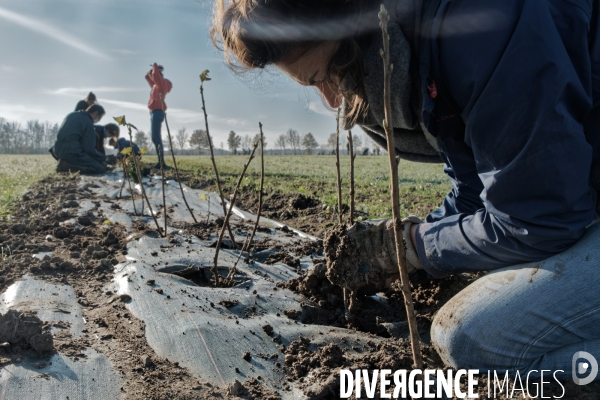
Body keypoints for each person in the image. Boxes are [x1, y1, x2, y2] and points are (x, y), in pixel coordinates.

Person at [212, 0, 600, 382]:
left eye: (323, 76)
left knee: (471, 339)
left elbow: (539, 219)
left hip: (562, 209)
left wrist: (414, 245)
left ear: (354, 30)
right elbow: (474, 189)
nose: (332, 101)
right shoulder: (425, 33)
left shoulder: (481, 25)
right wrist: (403, 249)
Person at [52, 104, 107, 175]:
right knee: (100, 169)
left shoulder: (71, 115)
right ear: (95, 113)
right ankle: (66, 166)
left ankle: (67, 162)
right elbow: (89, 149)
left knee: (89, 161)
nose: (98, 120)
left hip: (57, 150)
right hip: (72, 152)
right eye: (99, 117)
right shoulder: (88, 122)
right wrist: (103, 158)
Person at [145, 63, 172, 169]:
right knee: (154, 137)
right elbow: (147, 77)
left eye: (153, 75)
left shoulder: (161, 84)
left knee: (156, 137)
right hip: (154, 112)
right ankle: (160, 162)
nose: (152, 77)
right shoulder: (155, 86)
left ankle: (161, 163)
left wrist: (155, 66)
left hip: (158, 112)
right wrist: (152, 70)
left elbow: (155, 75)